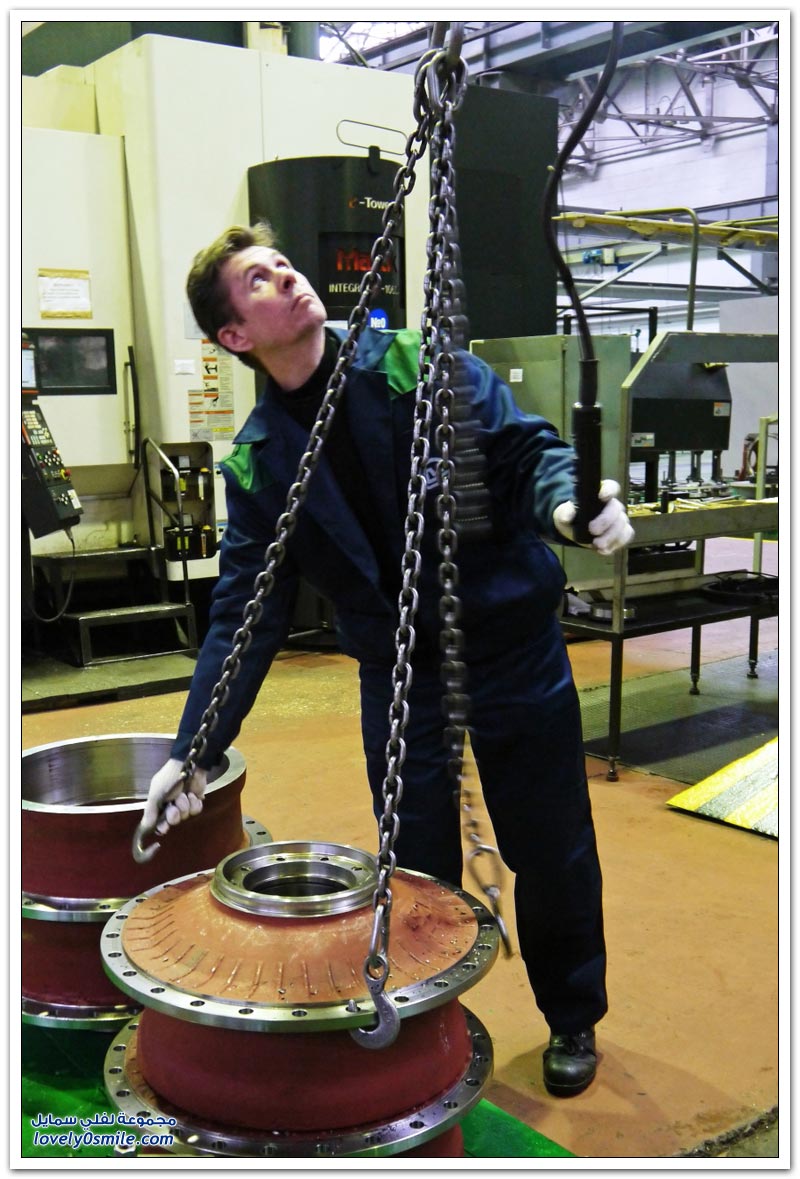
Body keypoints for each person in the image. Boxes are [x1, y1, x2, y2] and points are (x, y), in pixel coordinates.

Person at [144, 222, 634, 1097]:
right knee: (413, 862)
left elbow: (524, 454)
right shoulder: (259, 464)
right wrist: (195, 750)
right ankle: (431, 1019)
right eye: (259, 280)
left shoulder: (415, 364)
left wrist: (568, 506)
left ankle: (573, 1013)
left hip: (510, 647)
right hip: (403, 676)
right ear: (235, 335)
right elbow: (244, 613)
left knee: (550, 842)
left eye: (282, 263)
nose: (287, 276)